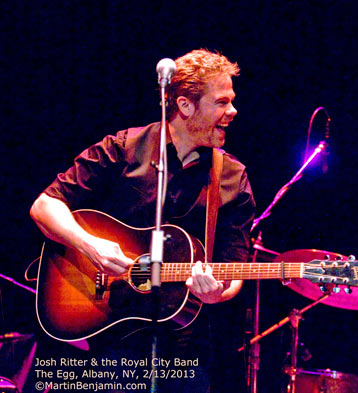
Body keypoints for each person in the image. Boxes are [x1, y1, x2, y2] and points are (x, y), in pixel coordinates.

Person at [29, 48, 255, 392]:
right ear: (185, 106)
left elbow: (234, 268)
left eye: (232, 101)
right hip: (107, 343)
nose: (233, 111)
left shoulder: (231, 178)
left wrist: (216, 294)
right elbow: (45, 206)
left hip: (184, 354)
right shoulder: (123, 149)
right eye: (222, 102)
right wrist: (91, 246)